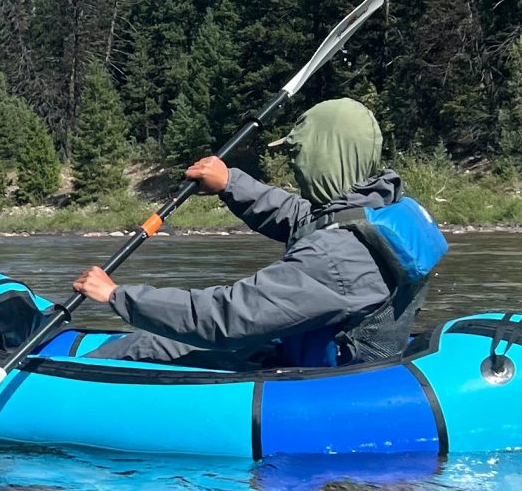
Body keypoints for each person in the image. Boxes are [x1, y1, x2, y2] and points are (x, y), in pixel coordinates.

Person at [71, 98, 430, 369]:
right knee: (152, 342)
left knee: (142, 348)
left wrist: (117, 295)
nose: (293, 164)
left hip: (317, 382)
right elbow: (301, 217)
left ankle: (55, 389)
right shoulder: (381, 209)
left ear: (323, 157)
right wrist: (230, 182)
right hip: (331, 356)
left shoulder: (336, 257)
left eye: (299, 155)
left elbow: (224, 317)